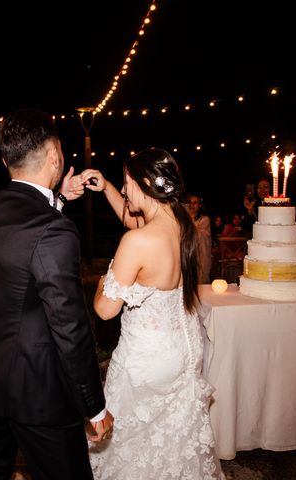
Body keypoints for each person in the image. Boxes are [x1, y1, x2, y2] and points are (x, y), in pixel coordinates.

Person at [0, 108, 113, 480]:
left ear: (6, 160)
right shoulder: (54, 231)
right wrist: (94, 406)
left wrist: (59, 197)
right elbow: (70, 326)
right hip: (38, 393)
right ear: (56, 156)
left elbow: (25, 246)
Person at [81, 149, 224, 479]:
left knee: (128, 448)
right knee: (172, 446)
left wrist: (103, 283)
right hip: (185, 352)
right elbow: (134, 220)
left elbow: (105, 311)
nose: (124, 188)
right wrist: (106, 189)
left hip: (146, 360)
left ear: (145, 183)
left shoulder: (136, 242)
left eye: (126, 183)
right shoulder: (183, 224)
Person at [187, 193, 212, 283]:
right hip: (186, 255)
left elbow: (201, 236)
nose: (192, 205)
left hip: (200, 256)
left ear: (200, 205)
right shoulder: (183, 219)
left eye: (195, 203)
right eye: (190, 202)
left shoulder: (204, 220)